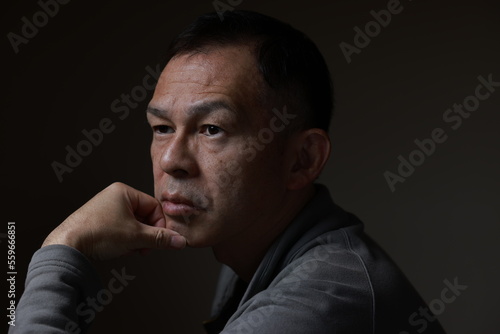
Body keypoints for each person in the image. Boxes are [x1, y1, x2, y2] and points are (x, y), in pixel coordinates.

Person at [11, 10, 445, 334]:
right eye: (162, 128)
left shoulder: (323, 300)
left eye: (212, 128)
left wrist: (63, 249)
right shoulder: (248, 245)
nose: (170, 160)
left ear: (303, 159)